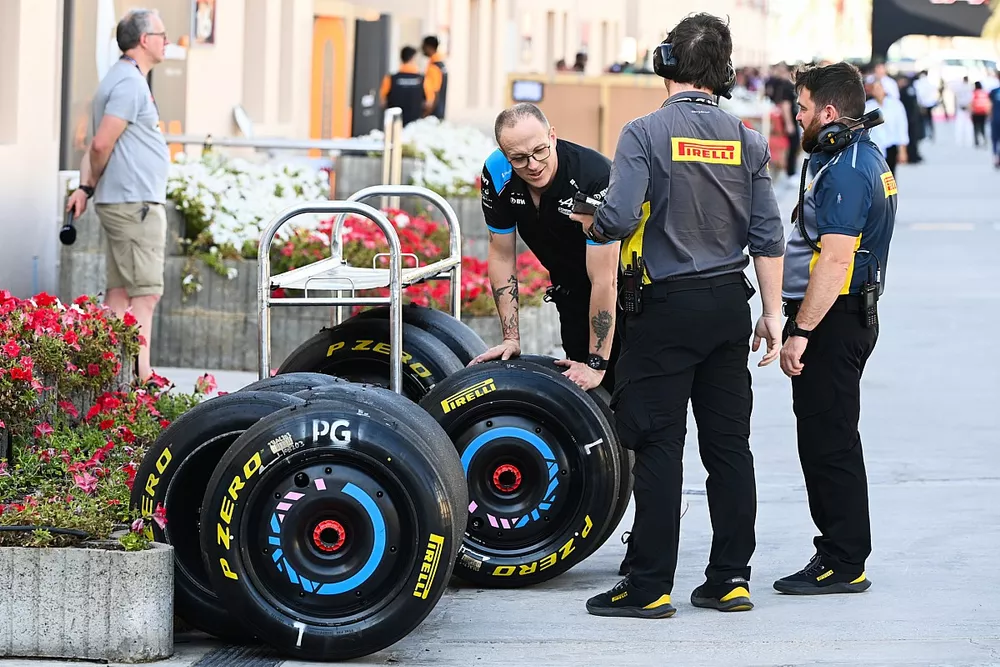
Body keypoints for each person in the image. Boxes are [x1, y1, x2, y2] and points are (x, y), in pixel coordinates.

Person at [571, 12, 786, 619]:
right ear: (721, 72)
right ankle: (729, 579)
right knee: (729, 447)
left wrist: (592, 219)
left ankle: (649, 587)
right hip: (728, 306)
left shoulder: (643, 132)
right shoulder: (746, 138)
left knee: (660, 445)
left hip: (665, 310)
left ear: (665, 63)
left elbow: (615, 219)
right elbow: (768, 235)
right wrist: (772, 315)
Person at [775, 61, 897, 595]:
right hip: (843, 315)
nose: (794, 116)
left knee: (830, 443)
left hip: (834, 319)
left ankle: (843, 561)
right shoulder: (858, 154)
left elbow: (835, 262)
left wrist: (800, 329)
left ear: (827, 112)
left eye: (800, 107)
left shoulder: (846, 167)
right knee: (827, 438)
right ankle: (839, 552)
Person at [470, 103, 621, 396]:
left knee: (625, 402)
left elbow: (606, 279)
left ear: (552, 136)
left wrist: (597, 363)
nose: (533, 164)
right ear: (505, 154)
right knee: (584, 401)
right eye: (520, 158)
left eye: (540, 151)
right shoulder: (497, 171)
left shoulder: (593, 175)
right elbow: (501, 254)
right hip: (571, 293)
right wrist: (511, 339)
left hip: (621, 294)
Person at [65, 8, 170, 383]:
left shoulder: (121, 79)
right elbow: (99, 144)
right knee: (145, 295)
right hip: (134, 204)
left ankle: (108, 376)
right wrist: (89, 185)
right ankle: (140, 381)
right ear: (145, 41)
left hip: (127, 201)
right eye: (162, 34)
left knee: (121, 293)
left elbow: (96, 146)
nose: (166, 41)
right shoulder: (128, 83)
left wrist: (85, 187)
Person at [864, 75, 908, 174]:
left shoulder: (895, 105)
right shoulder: (868, 107)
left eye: (880, 88)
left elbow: (901, 127)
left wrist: (902, 150)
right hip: (875, 147)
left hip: (891, 145)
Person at [379, 46, 432, 126]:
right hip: (415, 125)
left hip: (395, 125)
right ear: (412, 59)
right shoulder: (423, 80)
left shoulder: (390, 79)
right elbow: (429, 103)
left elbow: (382, 102)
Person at [421, 36, 448, 119]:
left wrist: (426, 114)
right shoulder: (441, 65)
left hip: (433, 115)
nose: (422, 49)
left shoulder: (433, 68)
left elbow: (434, 93)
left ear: (429, 47)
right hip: (440, 112)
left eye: (423, 46)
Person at [971, 81, 991, 148]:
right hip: (983, 112)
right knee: (982, 127)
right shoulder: (984, 93)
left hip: (976, 112)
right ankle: (985, 140)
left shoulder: (974, 93)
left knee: (975, 128)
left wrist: (970, 111)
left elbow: (971, 102)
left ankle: (977, 142)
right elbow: (988, 102)